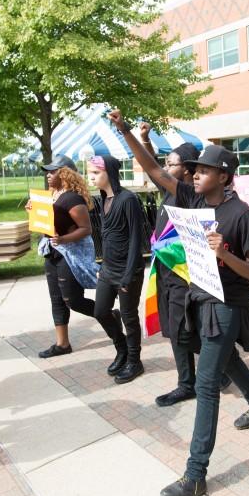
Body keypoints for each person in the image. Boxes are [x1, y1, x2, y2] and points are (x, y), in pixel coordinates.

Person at [110, 110, 249, 496]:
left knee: (206, 384)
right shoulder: (191, 199)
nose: (195, 174)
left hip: (225, 306)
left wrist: (225, 255)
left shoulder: (241, 215)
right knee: (224, 361)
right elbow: (153, 170)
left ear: (224, 176)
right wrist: (126, 130)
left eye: (204, 170)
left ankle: (195, 474)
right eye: (194, 170)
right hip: (196, 300)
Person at [34, 155, 119, 359]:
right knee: (56, 299)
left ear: (66, 173)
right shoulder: (52, 194)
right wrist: (34, 212)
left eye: (53, 171)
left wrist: (63, 239)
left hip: (69, 255)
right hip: (52, 252)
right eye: (48, 171)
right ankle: (62, 344)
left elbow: (86, 229)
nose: (49, 175)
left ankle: (109, 315)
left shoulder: (73, 199)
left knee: (72, 300)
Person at [146, 140, 207, 407]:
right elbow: (151, 168)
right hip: (164, 270)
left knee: (183, 330)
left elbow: (154, 170)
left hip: (184, 273)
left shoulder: (187, 195)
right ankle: (188, 382)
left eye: (171, 163)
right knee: (173, 329)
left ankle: (220, 367)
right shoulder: (168, 192)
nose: (165, 167)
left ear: (187, 169)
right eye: (166, 163)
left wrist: (125, 131)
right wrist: (146, 140)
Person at [88, 154, 147, 384]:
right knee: (100, 311)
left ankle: (135, 360)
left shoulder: (128, 199)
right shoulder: (103, 200)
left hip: (127, 271)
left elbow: (136, 239)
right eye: (90, 173)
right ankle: (121, 348)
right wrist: (102, 266)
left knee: (129, 317)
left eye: (96, 173)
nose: (91, 177)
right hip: (108, 270)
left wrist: (129, 274)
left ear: (109, 173)